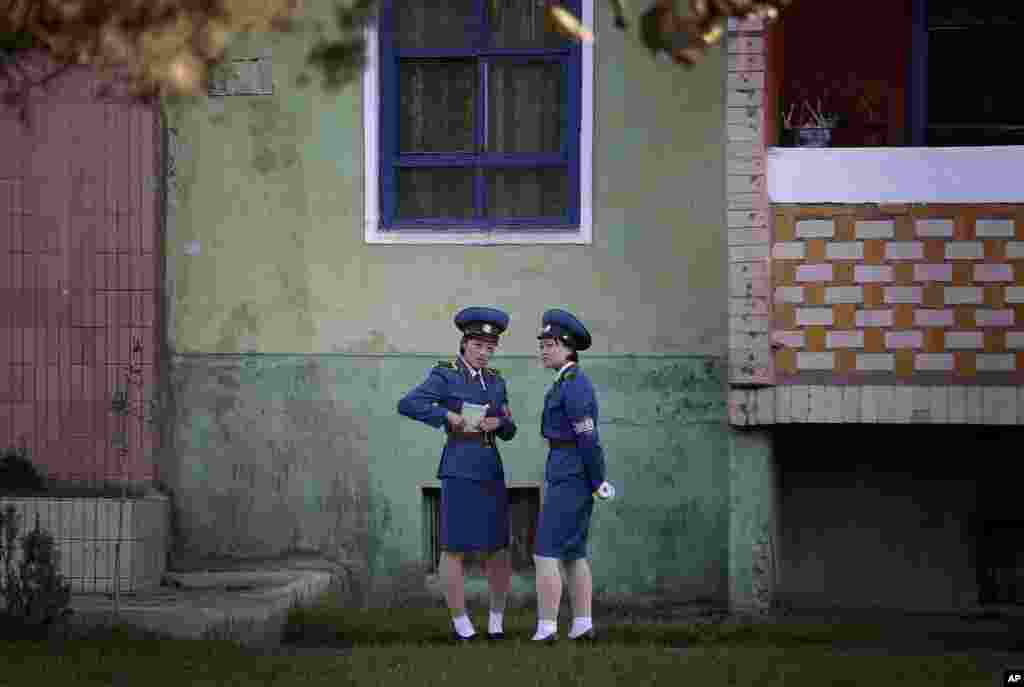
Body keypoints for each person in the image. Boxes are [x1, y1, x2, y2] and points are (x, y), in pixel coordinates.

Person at [397, 307, 517, 642]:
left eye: (490, 347)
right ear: (464, 343)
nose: (484, 353)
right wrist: (446, 416)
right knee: (454, 547)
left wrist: (500, 423)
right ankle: (462, 623)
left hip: (491, 468)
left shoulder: (496, 380)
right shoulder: (445, 375)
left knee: (499, 547)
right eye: (478, 345)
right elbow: (408, 404)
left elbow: (510, 429)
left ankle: (496, 622)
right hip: (458, 467)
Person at [531, 308, 613, 643]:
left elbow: (587, 437)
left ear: (568, 348)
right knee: (573, 553)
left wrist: (597, 480)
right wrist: (593, 480)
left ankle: (547, 627)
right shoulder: (567, 382)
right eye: (542, 344)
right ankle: (582, 624)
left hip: (571, 472)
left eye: (550, 345)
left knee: (545, 552)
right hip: (571, 471)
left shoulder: (574, 385)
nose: (543, 350)